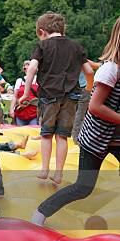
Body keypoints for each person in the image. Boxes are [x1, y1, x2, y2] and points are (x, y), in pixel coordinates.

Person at [32, 17, 119, 225]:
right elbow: (95, 106)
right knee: (83, 187)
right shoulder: (111, 70)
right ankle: (41, 213)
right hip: (95, 138)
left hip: (115, 136)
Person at [19, 12, 94, 184]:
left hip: (49, 95)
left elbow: (31, 69)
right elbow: (89, 71)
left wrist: (25, 93)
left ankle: (45, 169)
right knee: (62, 136)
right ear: (62, 29)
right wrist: (88, 88)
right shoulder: (76, 47)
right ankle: (59, 173)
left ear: (41, 32)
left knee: (46, 134)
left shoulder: (42, 47)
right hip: (71, 96)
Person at [71, 59, 101, 144]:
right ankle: (76, 139)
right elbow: (91, 70)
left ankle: (76, 140)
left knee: (78, 116)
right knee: (79, 116)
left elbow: (91, 70)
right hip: (82, 89)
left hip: (81, 89)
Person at [10, 60, 39, 126]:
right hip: (20, 112)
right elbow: (15, 96)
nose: (26, 69)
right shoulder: (19, 81)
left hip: (34, 113)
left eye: (28, 67)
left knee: (33, 133)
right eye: (25, 68)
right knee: (20, 134)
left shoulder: (39, 80)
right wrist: (11, 110)